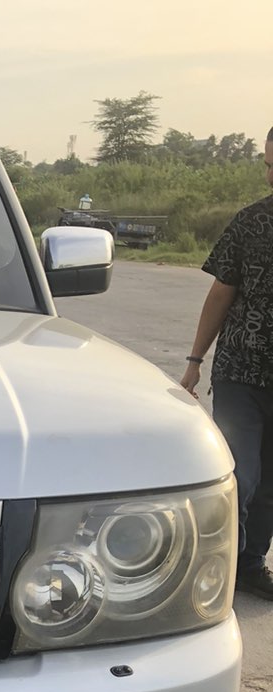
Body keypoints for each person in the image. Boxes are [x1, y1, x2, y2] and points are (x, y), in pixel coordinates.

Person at [182, 127, 273, 599]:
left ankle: (250, 565)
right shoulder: (251, 222)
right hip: (241, 370)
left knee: (270, 483)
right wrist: (195, 360)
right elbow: (221, 293)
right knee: (242, 474)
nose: (271, 176)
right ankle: (217, 565)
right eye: (269, 166)